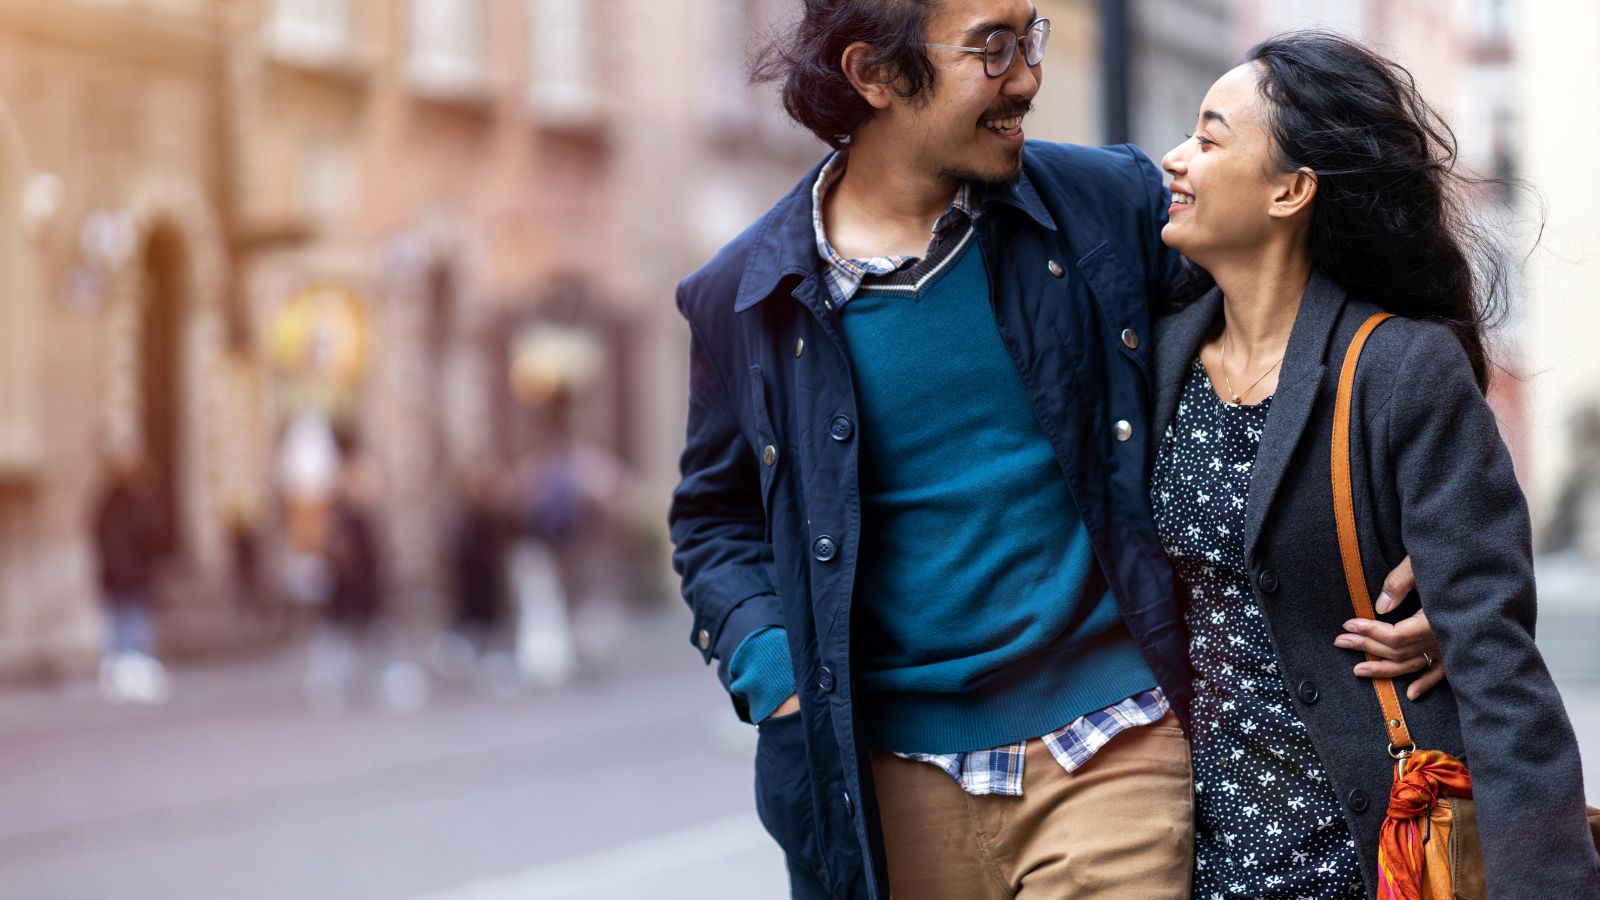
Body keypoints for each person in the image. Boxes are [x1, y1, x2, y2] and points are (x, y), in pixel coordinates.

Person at [669, 3, 1433, 897]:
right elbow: (713, 521)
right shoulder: (744, 295)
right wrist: (777, 676)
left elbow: (1315, 320)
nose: (1029, 75)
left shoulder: (1108, 206)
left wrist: (1429, 521)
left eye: (1028, 36)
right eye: (993, 47)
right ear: (874, 73)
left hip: (1113, 741)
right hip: (885, 779)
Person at [1152, 30, 1600, 899]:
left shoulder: (1401, 371)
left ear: (1290, 189)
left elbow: (1498, 668)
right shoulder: (1157, 355)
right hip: (1192, 858)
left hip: (1368, 862)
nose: (1175, 159)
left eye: (1209, 139)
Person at [91, 445, 171, 704]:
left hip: (123, 576)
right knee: (131, 627)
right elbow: (152, 535)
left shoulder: (115, 503)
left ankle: (124, 678)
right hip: (129, 577)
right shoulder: (132, 503)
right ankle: (129, 679)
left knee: (125, 626)